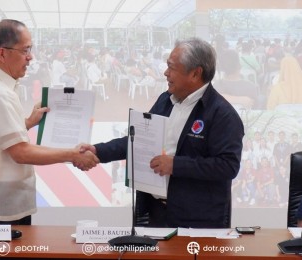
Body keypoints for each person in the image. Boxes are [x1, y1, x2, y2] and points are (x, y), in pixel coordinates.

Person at [79, 37, 244, 228]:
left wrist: (176, 165)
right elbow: (138, 141)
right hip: (154, 214)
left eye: (172, 67)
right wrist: (98, 151)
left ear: (195, 73)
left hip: (196, 221)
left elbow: (228, 166)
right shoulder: (165, 100)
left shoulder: (222, 114)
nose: (166, 73)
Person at [0, 19, 99, 225]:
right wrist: (72, 155)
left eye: (31, 49)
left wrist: (26, 123)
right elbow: (21, 152)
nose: (30, 57)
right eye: (25, 50)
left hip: (1, 198)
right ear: (2, 53)